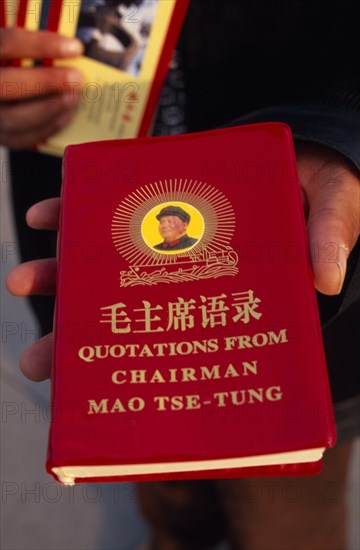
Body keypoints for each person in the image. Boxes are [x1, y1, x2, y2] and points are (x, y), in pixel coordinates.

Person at [1, 1, 360, 548]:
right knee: (161, 489)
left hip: (287, 318)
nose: (169, 230)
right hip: (117, 319)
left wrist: (342, 126)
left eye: (175, 225)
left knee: (283, 518)